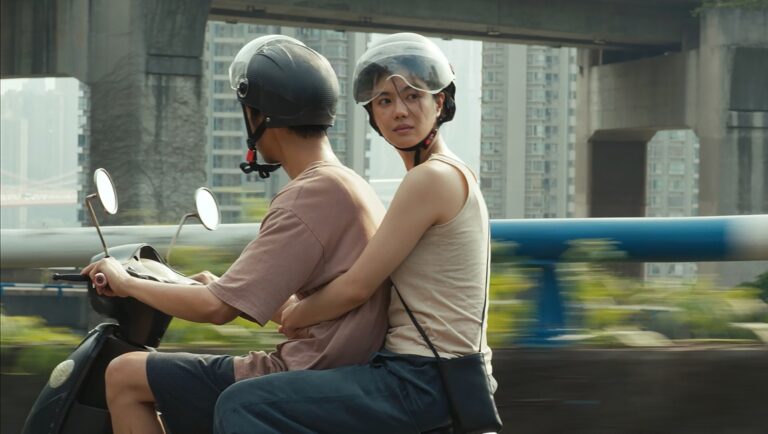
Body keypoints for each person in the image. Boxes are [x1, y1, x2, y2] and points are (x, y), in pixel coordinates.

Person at [81, 35, 390, 434]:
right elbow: (307, 307)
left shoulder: (307, 197)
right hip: (338, 369)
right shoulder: (348, 185)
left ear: (259, 115)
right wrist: (219, 285)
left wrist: (124, 281)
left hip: (306, 373)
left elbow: (216, 311)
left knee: (124, 376)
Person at [213, 32, 496, 434]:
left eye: (413, 95)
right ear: (372, 115)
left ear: (441, 102)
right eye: (384, 100)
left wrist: (294, 314)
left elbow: (356, 287)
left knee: (245, 403)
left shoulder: (431, 179)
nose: (399, 111)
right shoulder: (445, 175)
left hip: (420, 379)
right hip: (432, 376)